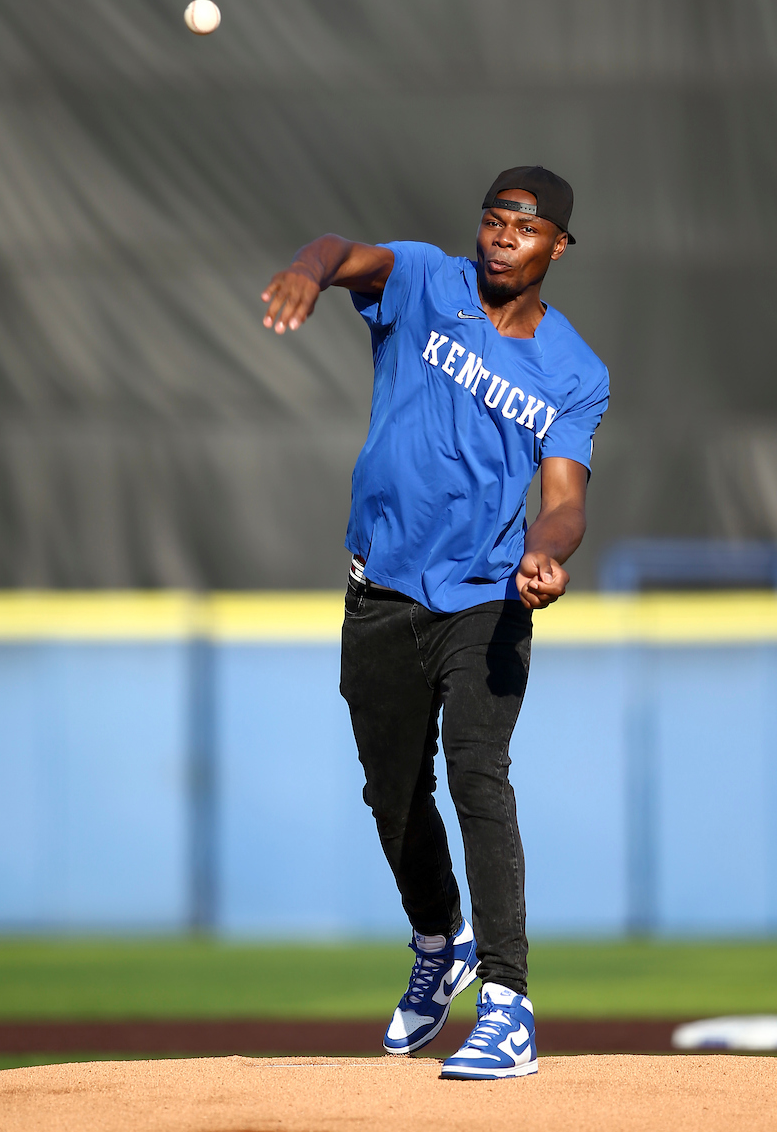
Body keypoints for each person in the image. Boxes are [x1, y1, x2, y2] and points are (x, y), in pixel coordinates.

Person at [261, 166, 609, 1080]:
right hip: (382, 589)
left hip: (488, 594)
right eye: (494, 220)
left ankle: (508, 1004)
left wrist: (547, 551)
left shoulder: (575, 370)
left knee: (476, 773)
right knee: (392, 793)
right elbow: (342, 251)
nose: (504, 237)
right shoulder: (423, 280)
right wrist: (307, 269)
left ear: (558, 245)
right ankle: (437, 939)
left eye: (525, 227)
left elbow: (565, 500)